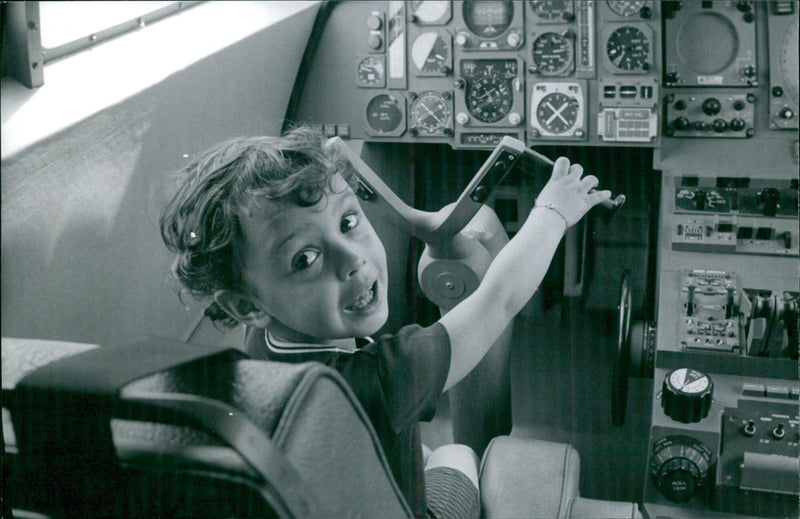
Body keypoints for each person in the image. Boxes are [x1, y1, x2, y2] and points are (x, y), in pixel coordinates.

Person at [159, 126, 610, 518]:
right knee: (454, 451)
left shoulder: (258, 344)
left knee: (423, 448)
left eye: (349, 221)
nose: (353, 260)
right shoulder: (388, 375)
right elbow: (500, 298)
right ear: (245, 305)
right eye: (307, 258)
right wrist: (555, 210)